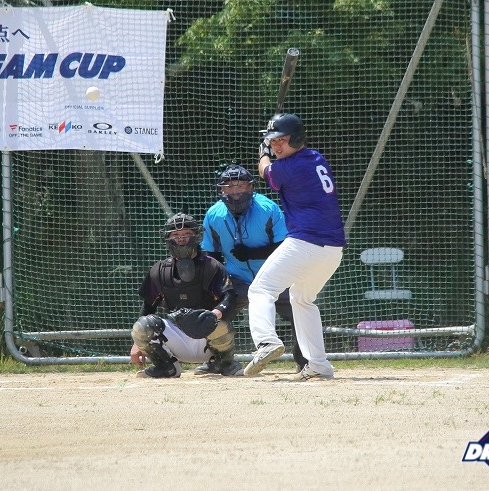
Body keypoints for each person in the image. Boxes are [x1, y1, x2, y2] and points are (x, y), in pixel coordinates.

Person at [243, 113, 347, 380]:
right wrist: (270, 146)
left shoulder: (290, 166)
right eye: (273, 141)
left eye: (282, 140)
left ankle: (266, 341)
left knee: (261, 290)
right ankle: (319, 365)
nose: (276, 145)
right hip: (332, 250)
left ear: (297, 138)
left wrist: (263, 153)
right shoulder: (315, 158)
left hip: (305, 243)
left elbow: (265, 172)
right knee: (301, 299)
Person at [200, 163, 308, 373]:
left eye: (240, 185)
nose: (235, 191)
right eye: (229, 186)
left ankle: (305, 362)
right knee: (215, 313)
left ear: (251, 187)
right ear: (221, 190)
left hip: (275, 276)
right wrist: (216, 285)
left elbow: (284, 246)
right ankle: (220, 361)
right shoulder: (213, 215)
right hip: (237, 279)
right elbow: (211, 254)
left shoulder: (268, 208)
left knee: (299, 309)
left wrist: (252, 253)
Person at [129, 213, 241, 377]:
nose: (181, 239)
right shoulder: (159, 270)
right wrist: (137, 343)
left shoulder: (211, 266)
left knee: (220, 323)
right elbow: (148, 307)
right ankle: (167, 367)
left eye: (186, 234)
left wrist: (213, 315)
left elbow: (229, 297)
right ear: (167, 239)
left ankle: (223, 363)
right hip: (177, 338)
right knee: (142, 325)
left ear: (196, 236)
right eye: (175, 235)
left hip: (208, 338)